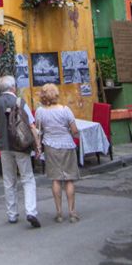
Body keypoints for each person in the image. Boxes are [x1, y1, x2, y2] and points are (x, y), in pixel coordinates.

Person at [0, 74, 42, 228]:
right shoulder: (20, 102)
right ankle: (31, 211)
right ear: (12, 87)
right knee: (27, 178)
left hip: (4, 146)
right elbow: (31, 125)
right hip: (21, 146)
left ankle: (12, 214)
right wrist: (37, 145)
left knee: (9, 180)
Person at [35, 83, 80, 223]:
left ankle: (59, 212)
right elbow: (74, 130)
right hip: (67, 144)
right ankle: (72, 212)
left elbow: (38, 131)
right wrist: (74, 135)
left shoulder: (40, 112)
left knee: (55, 179)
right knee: (69, 179)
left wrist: (38, 147)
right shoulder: (65, 110)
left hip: (50, 146)